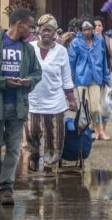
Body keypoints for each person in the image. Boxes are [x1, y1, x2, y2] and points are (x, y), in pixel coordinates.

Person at [0, 7, 42, 206]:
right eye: (29, 26)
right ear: (18, 24)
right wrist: (3, 82)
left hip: (18, 105)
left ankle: (6, 188)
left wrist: (27, 81)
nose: (31, 30)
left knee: (14, 148)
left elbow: (37, 73)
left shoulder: (28, 49)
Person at [27, 14, 76, 173]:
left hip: (55, 100)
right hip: (33, 98)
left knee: (54, 135)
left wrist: (71, 99)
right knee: (31, 130)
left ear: (55, 32)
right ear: (39, 31)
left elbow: (66, 77)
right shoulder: (30, 48)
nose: (46, 32)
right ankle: (34, 154)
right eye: (44, 29)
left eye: (50, 30)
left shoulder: (61, 51)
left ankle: (49, 163)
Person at [68, 20, 111, 140]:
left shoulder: (99, 41)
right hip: (81, 78)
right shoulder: (76, 42)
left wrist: (105, 77)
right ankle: (85, 132)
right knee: (83, 107)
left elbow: (103, 60)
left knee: (95, 108)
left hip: (96, 78)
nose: (86, 31)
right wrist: (70, 79)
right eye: (84, 29)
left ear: (93, 29)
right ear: (81, 30)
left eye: (89, 29)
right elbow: (71, 61)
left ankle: (91, 127)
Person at [93, 16, 112, 139]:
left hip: (106, 74)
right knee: (95, 104)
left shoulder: (107, 40)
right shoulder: (88, 40)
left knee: (106, 103)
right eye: (95, 25)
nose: (97, 27)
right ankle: (97, 131)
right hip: (93, 76)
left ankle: (104, 129)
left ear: (103, 27)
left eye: (99, 25)